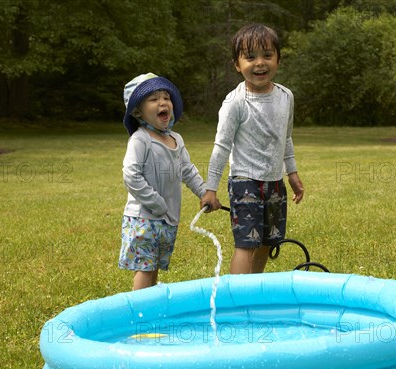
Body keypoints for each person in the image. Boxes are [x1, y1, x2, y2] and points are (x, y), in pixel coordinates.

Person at [201, 24, 305, 274]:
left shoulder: (286, 96)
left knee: (267, 243)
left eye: (267, 55)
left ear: (278, 59)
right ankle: (236, 302)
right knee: (247, 244)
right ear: (237, 64)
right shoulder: (235, 102)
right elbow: (221, 147)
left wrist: (292, 173)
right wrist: (210, 189)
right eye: (250, 57)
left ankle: (253, 295)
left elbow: (286, 137)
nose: (260, 63)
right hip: (245, 182)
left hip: (275, 182)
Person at [119, 73, 206, 290]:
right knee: (146, 268)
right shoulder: (141, 139)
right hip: (144, 217)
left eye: (166, 97)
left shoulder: (176, 139)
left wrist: (204, 192)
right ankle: (140, 314)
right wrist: (155, 202)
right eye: (153, 99)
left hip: (167, 217)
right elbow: (131, 174)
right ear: (138, 111)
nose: (162, 102)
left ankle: (149, 312)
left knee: (154, 266)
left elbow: (187, 169)